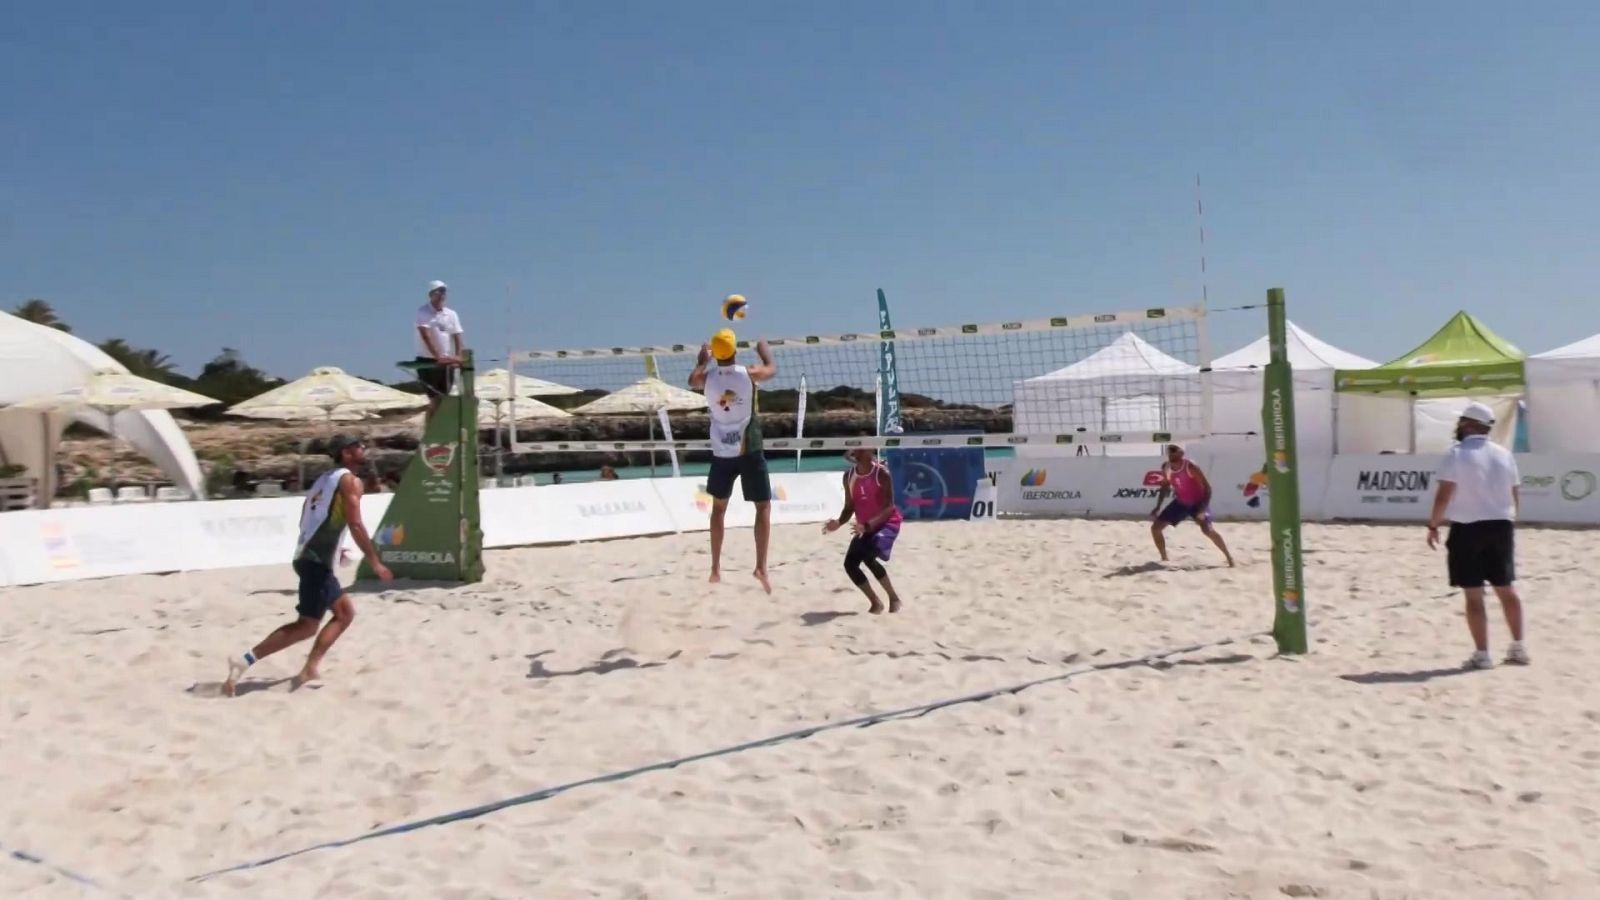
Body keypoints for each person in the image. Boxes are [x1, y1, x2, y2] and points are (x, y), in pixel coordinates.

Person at [222, 435, 393, 695]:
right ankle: (245, 660)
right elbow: (355, 523)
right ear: (346, 454)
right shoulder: (349, 481)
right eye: (358, 446)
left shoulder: (323, 480)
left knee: (344, 613)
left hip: (309, 555)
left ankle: (309, 668)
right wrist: (375, 561)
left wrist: (335, 547)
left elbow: (307, 517)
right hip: (316, 560)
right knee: (307, 626)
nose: (363, 449)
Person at [1426, 401, 1528, 669]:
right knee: (1507, 590)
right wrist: (1510, 520)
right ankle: (1518, 647)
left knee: (1474, 594)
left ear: (1467, 424)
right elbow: (1515, 494)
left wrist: (1433, 525)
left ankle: (1482, 654)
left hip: (1467, 527)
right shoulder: (1504, 454)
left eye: (1460, 422)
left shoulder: (1456, 453)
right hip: (1501, 525)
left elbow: (1444, 495)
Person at [688, 327, 777, 592]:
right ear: (735, 351)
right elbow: (771, 369)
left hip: (721, 454)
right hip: (749, 450)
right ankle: (760, 566)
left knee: (718, 510)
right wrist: (764, 351)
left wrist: (702, 361)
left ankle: (715, 568)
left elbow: (693, 379)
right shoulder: (748, 375)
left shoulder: (707, 378)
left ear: (716, 353)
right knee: (762, 507)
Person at [824, 448, 904, 614]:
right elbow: (849, 506)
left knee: (869, 554)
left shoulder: (882, 473)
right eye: (858, 449)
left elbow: (889, 507)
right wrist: (838, 522)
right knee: (850, 564)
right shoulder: (849, 476)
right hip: (864, 526)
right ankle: (876, 602)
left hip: (887, 523)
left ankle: (894, 598)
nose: (862, 452)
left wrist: (867, 525)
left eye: (865, 448)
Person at [1150, 444, 1234, 567]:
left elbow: (1208, 489)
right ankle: (1164, 558)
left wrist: (1202, 509)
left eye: (1173, 450)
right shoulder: (1166, 467)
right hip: (1180, 503)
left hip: (1198, 503)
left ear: (1181, 453)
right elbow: (1165, 486)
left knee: (1208, 530)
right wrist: (1158, 506)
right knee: (1155, 528)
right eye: (1169, 451)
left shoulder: (1191, 467)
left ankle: (1229, 558)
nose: (1170, 453)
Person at [414, 280, 465, 423]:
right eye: (439, 291)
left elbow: (457, 335)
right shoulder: (423, 312)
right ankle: (430, 431)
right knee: (434, 399)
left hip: (446, 361)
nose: (442, 295)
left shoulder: (451, 314)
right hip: (427, 361)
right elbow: (425, 335)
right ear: (431, 294)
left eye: (444, 292)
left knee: (443, 399)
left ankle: (436, 429)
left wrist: (459, 355)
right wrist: (437, 357)